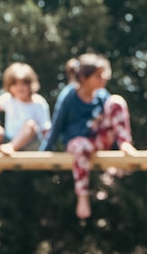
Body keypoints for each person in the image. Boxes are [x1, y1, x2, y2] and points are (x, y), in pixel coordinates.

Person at [41, 53, 139, 219]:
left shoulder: (102, 96)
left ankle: (125, 144)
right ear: (84, 78)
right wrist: (44, 152)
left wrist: (118, 151)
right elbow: (57, 125)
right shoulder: (69, 96)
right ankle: (83, 196)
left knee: (117, 102)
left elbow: (113, 120)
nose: (104, 79)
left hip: (99, 140)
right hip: (78, 142)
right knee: (81, 146)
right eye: (98, 76)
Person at [0, 62, 51, 156]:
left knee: (30, 124)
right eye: (15, 85)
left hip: (31, 144)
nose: (19, 88)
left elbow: (45, 129)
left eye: (23, 84)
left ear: (30, 85)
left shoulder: (38, 102)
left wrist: (49, 148)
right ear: (9, 87)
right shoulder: (9, 99)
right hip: (9, 140)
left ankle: (12, 147)